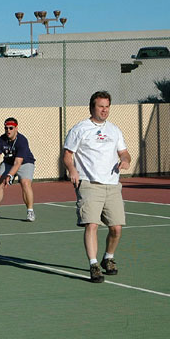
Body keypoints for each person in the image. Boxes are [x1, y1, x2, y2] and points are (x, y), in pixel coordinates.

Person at [63, 91, 131, 283]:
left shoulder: (114, 130)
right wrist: (72, 170)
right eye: (101, 106)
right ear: (92, 107)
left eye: (107, 106)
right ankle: (93, 265)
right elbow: (68, 155)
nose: (104, 110)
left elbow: (125, 153)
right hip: (89, 184)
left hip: (112, 185)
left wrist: (125, 160)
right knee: (91, 224)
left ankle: (108, 258)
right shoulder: (80, 129)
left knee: (116, 228)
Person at [0, 118, 37, 222]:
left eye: (11, 128)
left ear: (16, 128)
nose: (8, 130)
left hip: (25, 162)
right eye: (6, 128)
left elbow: (18, 163)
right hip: (8, 162)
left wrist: (10, 175)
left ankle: (30, 211)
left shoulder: (22, 140)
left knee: (25, 183)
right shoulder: (0, 140)